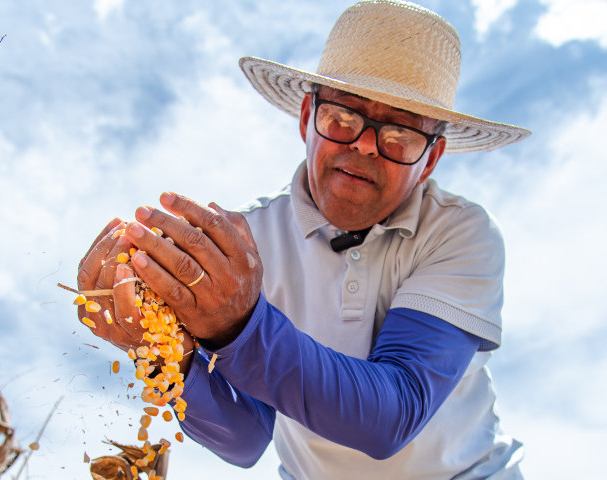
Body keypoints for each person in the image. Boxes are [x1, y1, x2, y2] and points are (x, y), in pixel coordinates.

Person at [77, 1, 531, 478]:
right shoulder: (247, 247)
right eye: (342, 118)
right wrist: (161, 352)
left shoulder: (459, 233)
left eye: (399, 135)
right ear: (306, 118)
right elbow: (246, 439)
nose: (363, 144)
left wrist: (238, 326)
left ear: (432, 159)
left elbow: (393, 415)